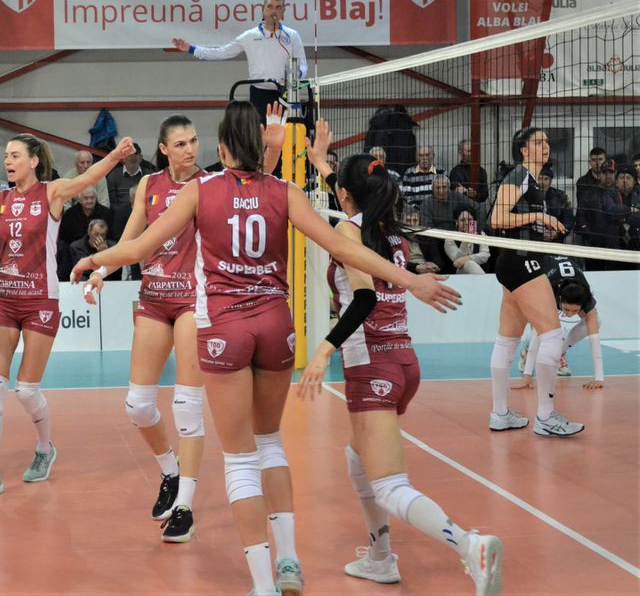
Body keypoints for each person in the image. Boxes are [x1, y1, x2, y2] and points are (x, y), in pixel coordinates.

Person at [70, 104, 460, 596]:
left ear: (220, 148)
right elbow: (344, 247)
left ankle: (263, 583)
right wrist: (410, 280)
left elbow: (140, 247)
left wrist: (93, 262)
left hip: (226, 327)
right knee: (270, 442)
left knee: (239, 460)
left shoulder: (200, 190)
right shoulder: (284, 191)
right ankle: (290, 560)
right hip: (276, 324)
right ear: (259, 146)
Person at [299, 143, 502, 596]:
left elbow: (364, 299)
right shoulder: (390, 231)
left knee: (390, 486)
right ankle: (380, 558)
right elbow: (352, 195)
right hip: (403, 364)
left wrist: (324, 351)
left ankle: (470, 546)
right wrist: (322, 165)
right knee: (357, 458)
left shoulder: (348, 233)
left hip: (370, 364)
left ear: (345, 196)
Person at [0, 133, 136, 499]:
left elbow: (87, 178)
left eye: (15, 155)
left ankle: (45, 448)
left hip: (41, 300)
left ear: (33, 161)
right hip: (4, 298)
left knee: (27, 390)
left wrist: (113, 156)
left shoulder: (52, 193)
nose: (7, 161)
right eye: (6, 155)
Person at [81, 114, 206, 544]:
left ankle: (185, 505)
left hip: (193, 300)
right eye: (181, 143)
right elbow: (130, 240)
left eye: (194, 141)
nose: (190, 149)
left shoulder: (208, 185)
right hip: (154, 298)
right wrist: (102, 271)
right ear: (164, 149)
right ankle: (170, 472)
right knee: (137, 405)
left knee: (186, 404)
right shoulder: (150, 185)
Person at [487, 127, 583, 437]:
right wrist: (537, 218)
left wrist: (541, 231)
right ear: (524, 150)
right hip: (521, 262)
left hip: (515, 260)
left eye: (546, 142)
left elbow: (514, 222)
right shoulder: (518, 176)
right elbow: (497, 219)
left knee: (507, 339)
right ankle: (545, 416)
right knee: (552, 335)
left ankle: (500, 414)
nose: (546, 146)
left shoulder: (529, 180)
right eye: (538, 142)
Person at [171, 0, 306, 121]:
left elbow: (303, 65)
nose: (273, 11)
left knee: (289, 133)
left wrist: (296, 75)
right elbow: (222, 53)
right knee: (258, 133)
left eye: (278, 7)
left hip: (287, 94)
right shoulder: (249, 36)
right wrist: (191, 49)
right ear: (263, 9)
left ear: (283, 11)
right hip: (259, 94)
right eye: (269, 7)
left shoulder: (292, 35)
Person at [517, 256, 603, 390]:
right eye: (566, 309)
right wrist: (527, 375)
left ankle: (559, 350)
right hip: (537, 277)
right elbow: (536, 335)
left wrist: (599, 378)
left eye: (575, 311)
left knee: (595, 321)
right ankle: (526, 352)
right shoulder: (548, 293)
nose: (569, 314)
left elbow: (594, 339)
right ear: (560, 300)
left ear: (582, 304)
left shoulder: (586, 297)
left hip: (564, 277)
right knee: (538, 327)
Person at [444, 205, 490, 274]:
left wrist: (468, 258)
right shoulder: (450, 239)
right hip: (459, 273)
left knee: (469, 262)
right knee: (468, 263)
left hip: (479, 270)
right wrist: (465, 242)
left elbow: (485, 255)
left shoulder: (481, 234)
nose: (466, 223)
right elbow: (457, 262)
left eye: (469, 220)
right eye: (463, 220)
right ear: (456, 222)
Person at [536, 165, 574, 244]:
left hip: (556, 241)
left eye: (546, 179)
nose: (542, 182)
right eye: (539, 178)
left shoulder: (561, 197)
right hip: (534, 240)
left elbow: (569, 221)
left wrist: (557, 233)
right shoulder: (529, 196)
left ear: (550, 181)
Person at [448, 139, 489, 203]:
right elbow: (454, 193)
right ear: (460, 152)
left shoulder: (481, 171)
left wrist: (475, 194)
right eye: (469, 151)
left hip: (478, 206)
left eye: (473, 150)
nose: (472, 153)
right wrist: (466, 193)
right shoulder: (455, 172)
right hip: (461, 206)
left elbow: (485, 194)